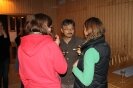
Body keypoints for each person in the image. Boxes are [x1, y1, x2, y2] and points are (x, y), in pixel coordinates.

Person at [18, 13, 67, 88]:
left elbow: (22, 73)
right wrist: (57, 47)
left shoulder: (21, 47)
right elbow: (62, 69)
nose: (50, 29)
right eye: (49, 26)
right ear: (43, 26)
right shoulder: (51, 45)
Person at [72, 17, 111, 88]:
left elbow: (86, 81)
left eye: (84, 28)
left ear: (88, 31)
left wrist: (74, 68)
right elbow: (98, 63)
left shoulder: (91, 51)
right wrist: (83, 54)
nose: (83, 31)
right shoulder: (105, 45)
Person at [60, 19, 84, 88]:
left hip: (76, 80)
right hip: (61, 80)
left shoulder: (80, 42)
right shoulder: (57, 43)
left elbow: (86, 59)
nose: (70, 31)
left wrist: (81, 54)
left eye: (72, 29)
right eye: (66, 29)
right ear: (62, 30)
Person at [0, 21, 10, 88]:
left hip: (6, 58)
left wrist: (5, 36)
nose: (0, 27)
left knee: (5, 76)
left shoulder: (5, 34)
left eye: (1, 25)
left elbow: (8, 44)